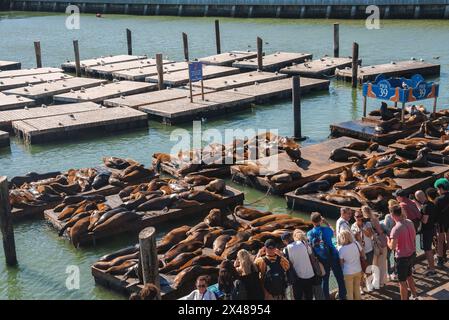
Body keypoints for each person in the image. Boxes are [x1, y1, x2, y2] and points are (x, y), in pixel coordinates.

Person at [307, 212, 347, 300]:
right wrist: (327, 223)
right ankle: (342, 296)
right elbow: (333, 232)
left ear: (312, 221)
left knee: (325, 280)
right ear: (320, 220)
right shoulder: (326, 229)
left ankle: (326, 298)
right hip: (333, 255)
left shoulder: (310, 233)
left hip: (322, 259)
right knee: (339, 277)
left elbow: (310, 246)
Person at [387, 205, 418, 300]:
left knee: (402, 282)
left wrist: (388, 240)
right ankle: (415, 296)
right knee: (409, 276)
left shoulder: (396, 229)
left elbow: (392, 246)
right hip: (411, 254)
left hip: (402, 258)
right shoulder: (409, 222)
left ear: (392, 215)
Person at [283, 229, 315, 300]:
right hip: (309, 274)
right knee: (309, 296)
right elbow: (310, 252)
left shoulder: (286, 249)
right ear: (292, 237)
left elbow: (289, 263)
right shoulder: (303, 242)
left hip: (298, 277)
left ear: (284, 241)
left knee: (298, 297)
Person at [362, 205, 388, 288]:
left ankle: (377, 282)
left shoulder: (367, 222)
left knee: (375, 264)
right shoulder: (375, 219)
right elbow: (380, 231)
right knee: (382, 263)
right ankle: (382, 281)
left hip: (374, 244)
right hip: (381, 242)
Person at [415, 189, 437, 276]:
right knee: (430, 248)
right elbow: (424, 210)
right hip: (432, 228)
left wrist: (418, 216)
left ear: (418, 198)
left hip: (426, 231)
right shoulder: (431, 204)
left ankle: (432, 270)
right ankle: (430, 265)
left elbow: (424, 220)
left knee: (428, 250)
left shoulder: (425, 207)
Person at [338, 230, 363, 300]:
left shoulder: (341, 249)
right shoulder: (356, 244)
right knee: (357, 289)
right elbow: (362, 254)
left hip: (348, 272)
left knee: (349, 293)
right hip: (358, 270)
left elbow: (341, 263)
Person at [434, 178, 449, 267]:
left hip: (441, 223)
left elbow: (435, 213)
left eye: (437, 189)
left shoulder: (438, 199)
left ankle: (440, 260)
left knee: (440, 241)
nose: (437, 191)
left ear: (441, 188)